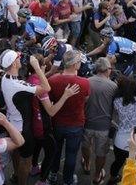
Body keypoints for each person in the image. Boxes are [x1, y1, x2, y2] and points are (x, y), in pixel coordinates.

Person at [0, 51, 51, 185]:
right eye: (18, 58)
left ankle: (16, 175)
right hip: (22, 128)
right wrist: (38, 68)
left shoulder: (5, 78)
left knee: (16, 153)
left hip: (12, 123)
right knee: (26, 160)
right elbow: (46, 87)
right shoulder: (18, 86)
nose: (20, 59)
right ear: (14, 63)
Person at [47, 50, 90, 185]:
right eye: (79, 61)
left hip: (57, 123)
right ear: (74, 65)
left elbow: (50, 100)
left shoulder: (52, 80)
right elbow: (86, 98)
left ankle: (53, 174)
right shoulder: (84, 82)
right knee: (71, 155)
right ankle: (68, 180)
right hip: (75, 124)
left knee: (56, 151)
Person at [81, 57, 117, 184]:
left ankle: (86, 164)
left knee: (85, 146)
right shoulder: (113, 86)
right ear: (107, 69)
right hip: (104, 126)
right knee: (101, 152)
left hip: (86, 122)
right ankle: (97, 176)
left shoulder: (86, 81)